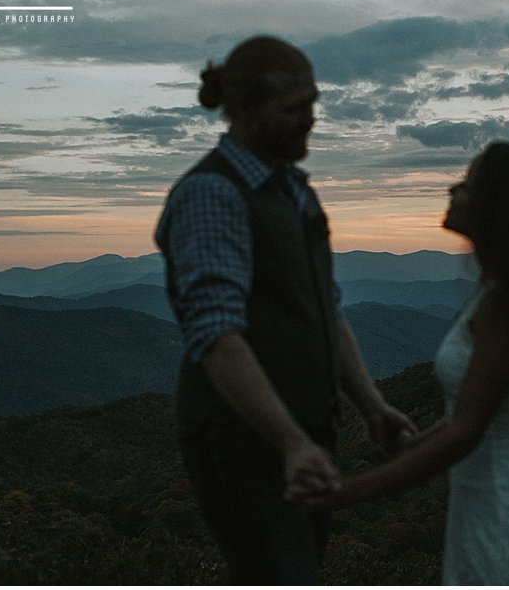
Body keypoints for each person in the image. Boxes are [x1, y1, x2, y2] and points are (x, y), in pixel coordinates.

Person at [155, 35, 416, 585]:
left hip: (302, 437)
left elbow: (326, 308)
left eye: (313, 104)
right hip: (242, 439)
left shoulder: (295, 191)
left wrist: (371, 407)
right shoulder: (212, 194)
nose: (310, 120)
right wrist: (291, 442)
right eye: (294, 107)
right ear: (245, 109)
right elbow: (216, 335)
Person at [294, 141, 509, 584]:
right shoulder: (500, 294)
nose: (452, 189)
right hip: (498, 499)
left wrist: (346, 493)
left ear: (498, 206)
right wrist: (411, 446)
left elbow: (467, 433)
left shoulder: (502, 306)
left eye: (467, 185)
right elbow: (473, 418)